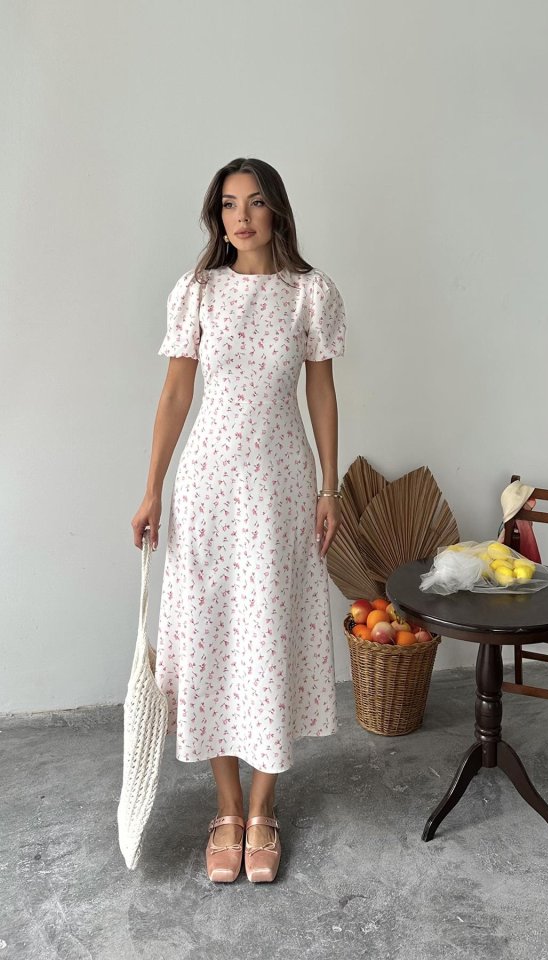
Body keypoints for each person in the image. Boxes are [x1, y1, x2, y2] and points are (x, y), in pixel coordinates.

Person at [131, 157, 347, 883]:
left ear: (276, 210)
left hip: (282, 489)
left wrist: (328, 486)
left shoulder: (309, 294)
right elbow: (175, 396)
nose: (242, 217)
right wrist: (152, 489)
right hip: (207, 489)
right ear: (216, 216)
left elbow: (322, 393)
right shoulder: (197, 292)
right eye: (228, 205)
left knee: (270, 632)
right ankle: (226, 808)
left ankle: (264, 806)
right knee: (212, 636)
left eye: (255, 203)